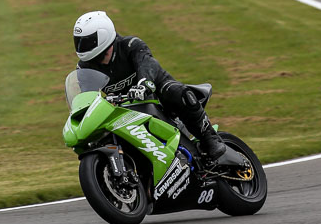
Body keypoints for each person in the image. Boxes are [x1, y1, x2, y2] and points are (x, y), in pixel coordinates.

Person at [71, 10, 227, 160]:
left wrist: (144, 84)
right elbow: (87, 96)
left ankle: (210, 138)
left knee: (176, 92)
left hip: (155, 91)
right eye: (79, 42)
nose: (82, 46)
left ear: (103, 36)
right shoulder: (85, 67)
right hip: (124, 107)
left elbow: (147, 63)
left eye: (86, 41)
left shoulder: (130, 45)